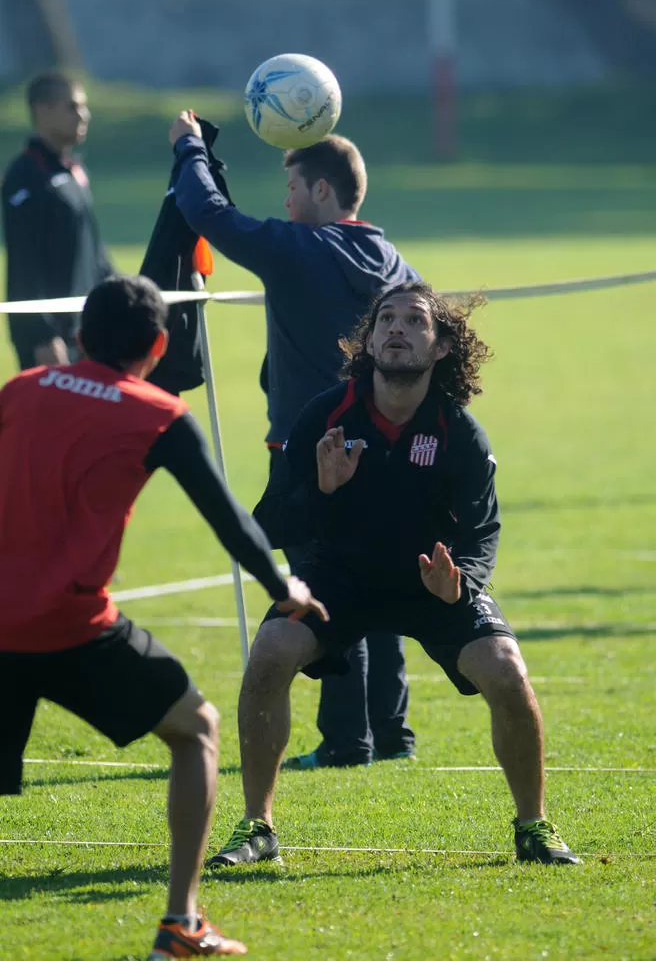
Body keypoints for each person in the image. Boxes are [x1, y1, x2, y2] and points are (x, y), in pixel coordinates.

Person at [0, 274, 327, 959]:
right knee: (197, 729)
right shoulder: (158, 414)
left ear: (82, 336)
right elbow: (230, 520)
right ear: (157, 345)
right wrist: (284, 584)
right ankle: (181, 924)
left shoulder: (21, 388)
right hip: (72, 628)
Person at [206, 281, 580, 868]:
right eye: (386, 320)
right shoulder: (323, 415)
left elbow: (482, 532)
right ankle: (258, 827)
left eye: (414, 321)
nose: (397, 329)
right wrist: (322, 491)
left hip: (431, 582)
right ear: (370, 340)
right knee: (271, 651)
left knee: (507, 671)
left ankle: (533, 827)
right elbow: (269, 522)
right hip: (337, 580)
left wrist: (463, 583)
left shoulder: (460, 433)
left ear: (439, 348)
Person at [167, 113, 419, 769]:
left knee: (326, 585)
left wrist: (189, 146)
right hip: (383, 446)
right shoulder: (392, 260)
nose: (285, 202)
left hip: (317, 454)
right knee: (383, 581)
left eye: (294, 187)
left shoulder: (299, 248)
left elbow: (208, 212)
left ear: (325, 194)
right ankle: (391, 733)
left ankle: (344, 741)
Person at [2, 72, 114, 370]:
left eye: (84, 107)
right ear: (42, 109)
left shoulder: (74, 173)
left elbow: (95, 254)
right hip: (53, 343)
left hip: (89, 334)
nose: (84, 115)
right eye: (73, 107)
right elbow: (23, 264)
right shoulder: (26, 177)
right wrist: (41, 335)